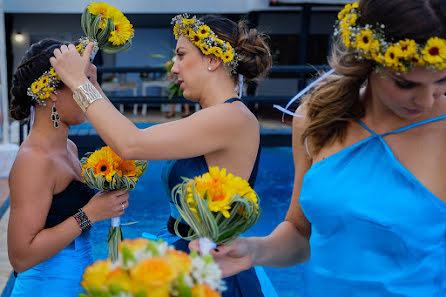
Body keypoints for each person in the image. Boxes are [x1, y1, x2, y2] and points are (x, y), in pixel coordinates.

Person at [189, 1, 446, 296]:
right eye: (405, 84)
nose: (427, 101)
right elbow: (300, 233)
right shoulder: (317, 118)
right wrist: (251, 250)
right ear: (367, 59)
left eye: (442, 81)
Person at [50, 14, 277, 297]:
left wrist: (75, 81)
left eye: (181, 55)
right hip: (187, 257)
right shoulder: (215, 116)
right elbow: (133, 135)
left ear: (213, 60)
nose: (174, 68)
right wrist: (91, 86)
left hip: (213, 270)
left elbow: (131, 144)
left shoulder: (232, 118)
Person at [7, 39, 130, 297]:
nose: (87, 94)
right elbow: (20, 256)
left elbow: (126, 141)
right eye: (79, 83)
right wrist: (90, 214)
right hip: (47, 287)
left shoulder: (70, 147)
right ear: (52, 92)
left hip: (78, 278)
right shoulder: (34, 160)